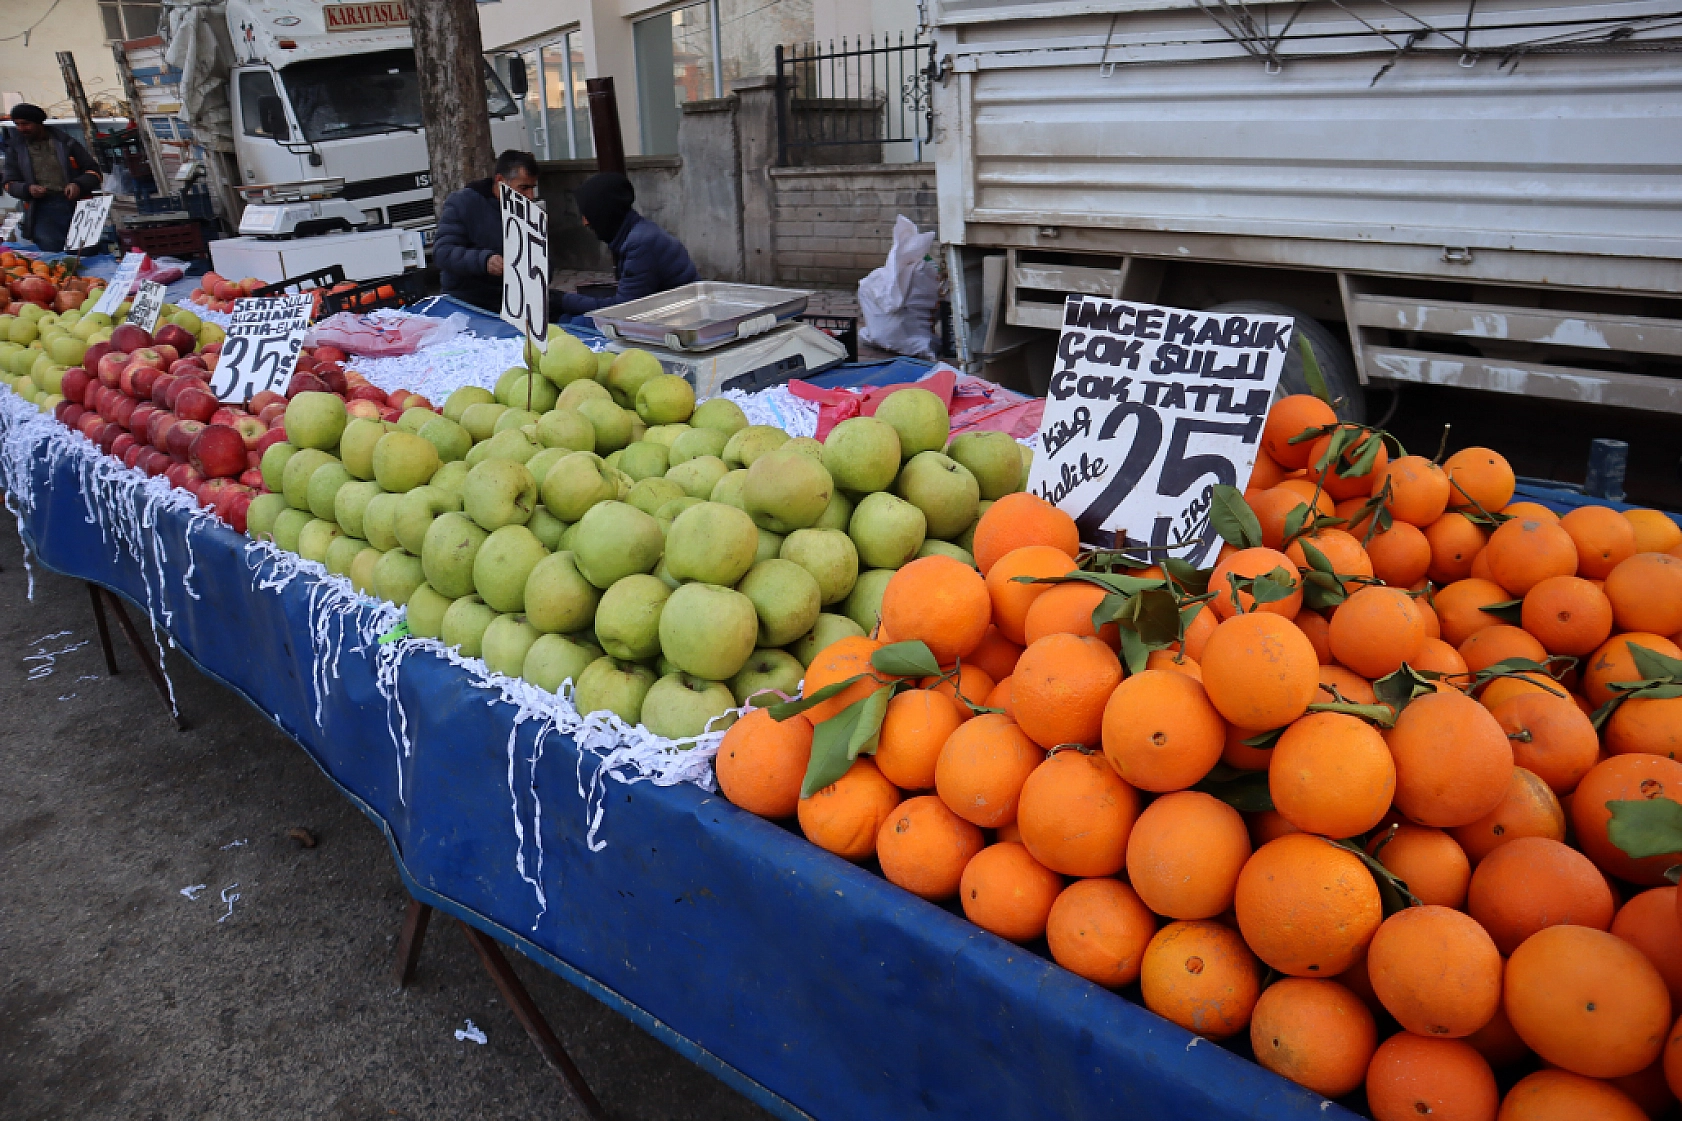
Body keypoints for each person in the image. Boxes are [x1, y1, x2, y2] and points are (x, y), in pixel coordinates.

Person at [558, 172, 697, 316]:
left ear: (605, 212)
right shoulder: (635, 234)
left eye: (589, 214)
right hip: (670, 310)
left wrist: (563, 300)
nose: (585, 222)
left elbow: (623, 309)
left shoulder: (641, 243)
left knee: (573, 323)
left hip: (681, 316)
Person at [433, 149, 544, 315]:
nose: (530, 196)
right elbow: (443, 252)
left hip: (514, 302)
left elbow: (546, 266)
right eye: (523, 188)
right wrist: (484, 261)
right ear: (500, 181)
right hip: (466, 301)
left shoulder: (528, 213)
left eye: (532, 188)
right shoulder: (463, 203)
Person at [2, 103, 102, 253]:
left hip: (76, 207)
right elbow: (9, 183)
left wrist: (78, 185)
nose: (21, 129)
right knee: (52, 256)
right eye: (17, 124)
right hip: (42, 210)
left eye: (26, 124)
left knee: (85, 253)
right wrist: (27, 189)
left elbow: (94, 172)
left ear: (38, 123)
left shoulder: (66, 143)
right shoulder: (16, 149)